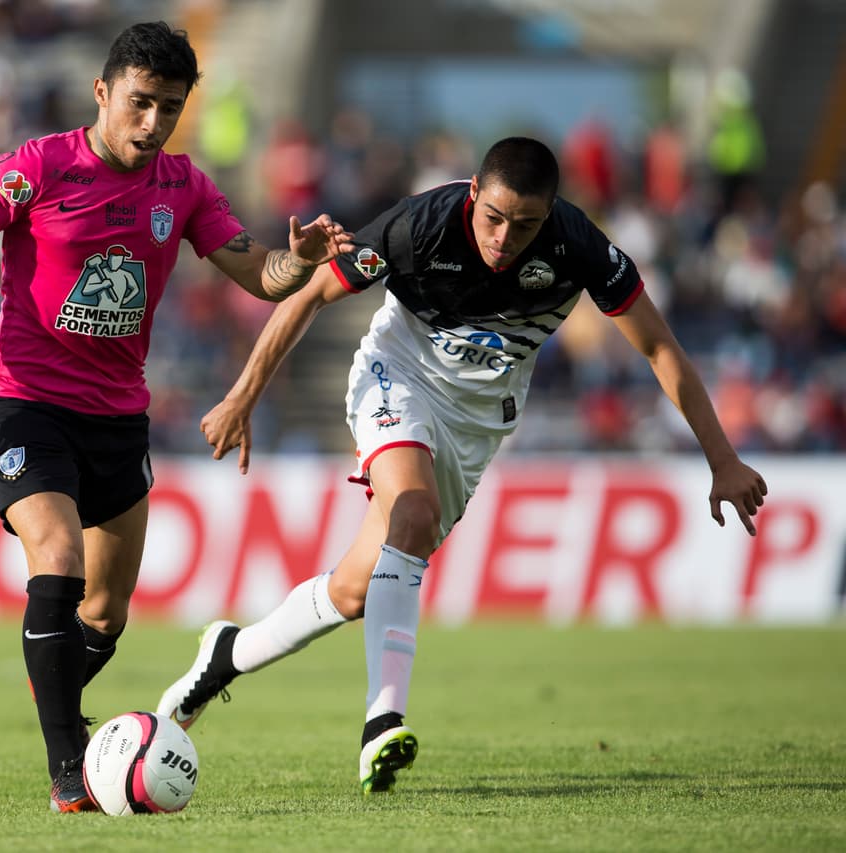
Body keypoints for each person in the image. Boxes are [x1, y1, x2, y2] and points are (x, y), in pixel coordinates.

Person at [0, 21, 353, 813]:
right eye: (139, 103)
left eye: (169, 108)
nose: (152, 123)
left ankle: (58, 692)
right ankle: (71, 770)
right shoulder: (34, 169)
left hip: (117, 419)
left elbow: (261, 276)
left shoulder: (185, 186)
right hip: (21, 403)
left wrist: (298, 260)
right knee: (55, 556)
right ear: (102, 93)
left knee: (104, 613)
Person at [156, 136, 767, 794]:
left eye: (526, 224)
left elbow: (662, 350)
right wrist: (244, 395)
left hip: (475, 424)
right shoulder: (417, 226)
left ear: (550, 213)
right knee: (411, 511)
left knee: (354, 591)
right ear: (474, 192)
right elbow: (306, 298)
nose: (506, 237)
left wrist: (722, 458)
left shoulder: (578, 245)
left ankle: (226, 655)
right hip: (397, 377)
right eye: (494, 218)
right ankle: (381, 722)